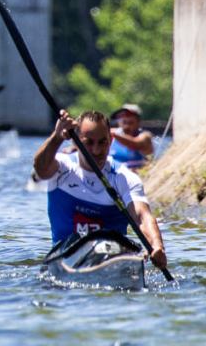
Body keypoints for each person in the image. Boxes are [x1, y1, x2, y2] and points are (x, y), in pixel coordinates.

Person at [33, 109, 167, 269]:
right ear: (76, 142)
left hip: (113, 256)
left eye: (102, 142)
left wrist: (157, 246)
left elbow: (142, 217)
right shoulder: (62, 168)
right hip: (66, 255)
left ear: (110, 140)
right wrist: (56, 137)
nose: (96, 150)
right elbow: (40, 169)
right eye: (89, 142)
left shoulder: (124, 177)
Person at [108, 103, 155, 170]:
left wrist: (113, 134)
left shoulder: (145, 136)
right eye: (121, 116)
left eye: (128, 115)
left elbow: (135, 144)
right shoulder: (111, 134)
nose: (125, 117)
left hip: (139, 177)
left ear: (138, 120)